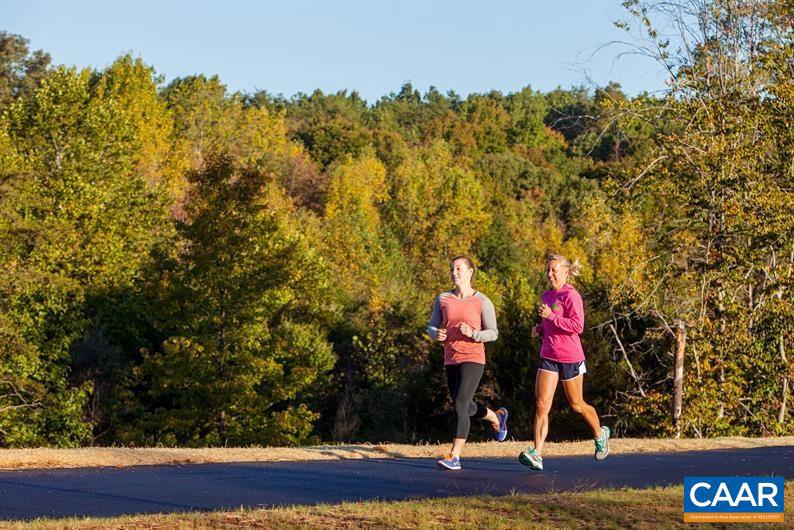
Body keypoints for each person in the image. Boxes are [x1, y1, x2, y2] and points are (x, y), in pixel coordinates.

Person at [519, 254, 610, 471]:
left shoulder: (571, 295)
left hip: (570, 358)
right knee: (542, 405)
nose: (549, 274)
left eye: (554, 270)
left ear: (565, 272)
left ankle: (600, 434)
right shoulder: (546, 295)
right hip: (548, 355)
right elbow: (549, 325)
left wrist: (550, 317)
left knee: (577, 405)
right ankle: (537, 454)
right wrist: (539, 328)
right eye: (548, 270)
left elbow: (577, 326)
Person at [428, 256, 508, 470]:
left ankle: (454, 456)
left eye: (459, 269)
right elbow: (431, 327)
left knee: (460, 405)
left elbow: (493, 333)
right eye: (452, 269)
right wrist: (436, 334)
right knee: (464, 405)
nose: (455, 273)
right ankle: (496, 416)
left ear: (470, 272)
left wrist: (474, 333)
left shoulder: (482, 301)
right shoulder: (443, 299)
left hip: (473, 357)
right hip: (451, 358)